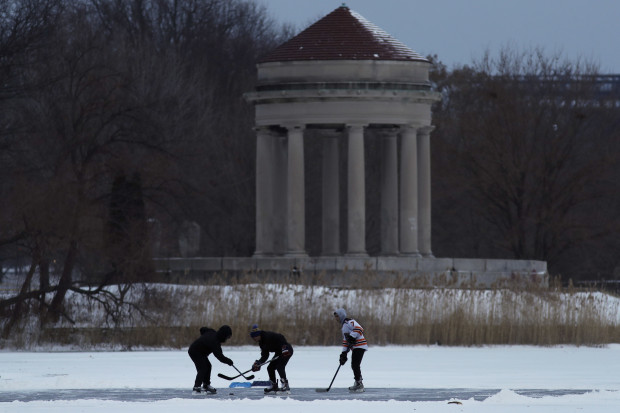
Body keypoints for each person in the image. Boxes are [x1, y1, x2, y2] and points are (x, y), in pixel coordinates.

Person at [188, 325, 234, 394]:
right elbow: (220, 357)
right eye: (227, 337)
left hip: (200, 353)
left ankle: (206, 385)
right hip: (195, 351)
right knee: (203, 367)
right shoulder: (215, 342)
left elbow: (203, 329)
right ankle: (196, 387)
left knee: (208, 366)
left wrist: (204, 337)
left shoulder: (212, 332)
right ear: (224, 335)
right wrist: (229, 361)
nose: (226, 339)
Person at [249, 324, 294, 393]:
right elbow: (265, 355)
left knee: (280, 366)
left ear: (258, 335)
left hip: (286, 350)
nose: (254, 339)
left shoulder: (267, 335)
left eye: (254, 337)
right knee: (270, 368)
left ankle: (285, 384)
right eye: (252, 338)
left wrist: (284, 347)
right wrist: (259, 363)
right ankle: (274, 386)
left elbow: (280, 336)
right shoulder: (261, 343)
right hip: (279, 352)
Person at [334, 308, 368, 392]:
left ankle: (359, 384)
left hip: (360, 346)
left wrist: (352, 336)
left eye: (337, 316)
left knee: (355, 364)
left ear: (341, 315)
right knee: (354, 365)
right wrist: (344, 353)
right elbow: (346, 341)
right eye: (335, 317)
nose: (336, 319)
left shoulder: (349, 322)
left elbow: (360, 328)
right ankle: (357, 382)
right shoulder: (343, 327)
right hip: (355, 347)